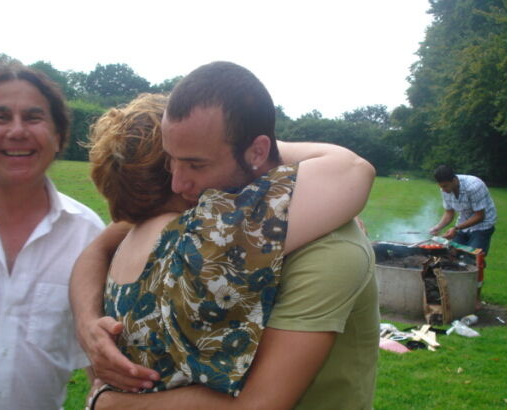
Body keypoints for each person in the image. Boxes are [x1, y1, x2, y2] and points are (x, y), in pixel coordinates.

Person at [71, 61, 379, 409]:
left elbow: (98, 247)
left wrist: (104, 390)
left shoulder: (314, 244)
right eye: (172, 161)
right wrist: (86, 324)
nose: (178, 183)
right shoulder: (202, 215)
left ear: (256, 150)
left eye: (196, 163)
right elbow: (352, 168)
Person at [0, 63, 104, 409]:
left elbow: (99, 363)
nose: (17, 131)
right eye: (0, 117)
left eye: (34, 117)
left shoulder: (87, 237)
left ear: (58, 136)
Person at [429, 165, 497, 255]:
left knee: (473, 257)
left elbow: (480, 216)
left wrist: (456, 228)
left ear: (454, 180)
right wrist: (438, 227)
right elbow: (449, 212)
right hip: (463, 223)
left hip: (482, 226)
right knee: (451, 254)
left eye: (445, 186)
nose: (443, 190)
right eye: (441, 187)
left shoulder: (474, 186)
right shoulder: (445, 190)